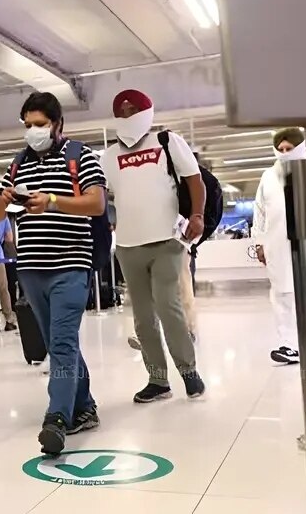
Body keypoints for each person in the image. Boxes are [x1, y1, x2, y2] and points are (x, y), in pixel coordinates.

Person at [0, 92, 106, 455]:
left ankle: (57, 417)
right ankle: (84, 407)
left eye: (40, 124)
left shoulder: (81, 156)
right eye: (27, 125)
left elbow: (97, 203)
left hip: (70, 264)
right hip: (31, 267)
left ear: (58, 124)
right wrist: (4, 197)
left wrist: (53, 200)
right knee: (61, 341)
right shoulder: (19, 161)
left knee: (60, 342)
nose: (33, 131)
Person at [103, 89, 206, 404]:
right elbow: (101, 197)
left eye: (133, 109)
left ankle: (188, 370)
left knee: (167, 304)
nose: (126, 115)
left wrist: (197, 215)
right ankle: (158, 379)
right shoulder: (107, 156)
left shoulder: (167, 142)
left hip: (167, 240)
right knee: (143, 316)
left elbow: (194, 180)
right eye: (121, 111)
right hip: (128, 245)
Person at [254, 127, 306, 366]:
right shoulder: (267, 177)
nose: (284, 153)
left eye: (289, 149)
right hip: (277, 245)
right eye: (281, 149)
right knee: (282, 295)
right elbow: (259, 213)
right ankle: (289, 345)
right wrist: (258, 243)